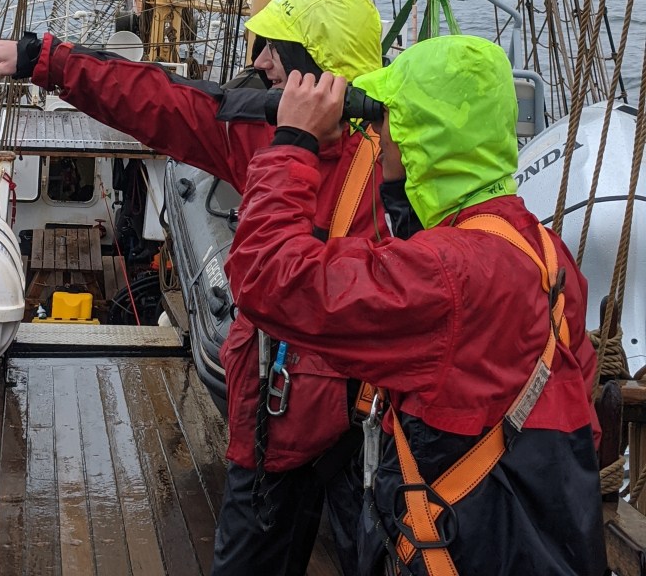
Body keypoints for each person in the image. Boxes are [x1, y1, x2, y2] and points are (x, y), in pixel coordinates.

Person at [0, 0, 399, 576]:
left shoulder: (399, 157)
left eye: (277, 49)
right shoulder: (261, 136)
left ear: (318, 63)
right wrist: (44, 60)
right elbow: (158, 100)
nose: (260, 63)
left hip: (368, 427)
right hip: (281, 425)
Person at [225, 34, 607, 576]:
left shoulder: (444, 274)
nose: (374, 134)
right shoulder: (542, 249)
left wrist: (293, 141)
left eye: (385, 119)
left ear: (417, 135)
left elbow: (267, 276)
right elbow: (577, 401)